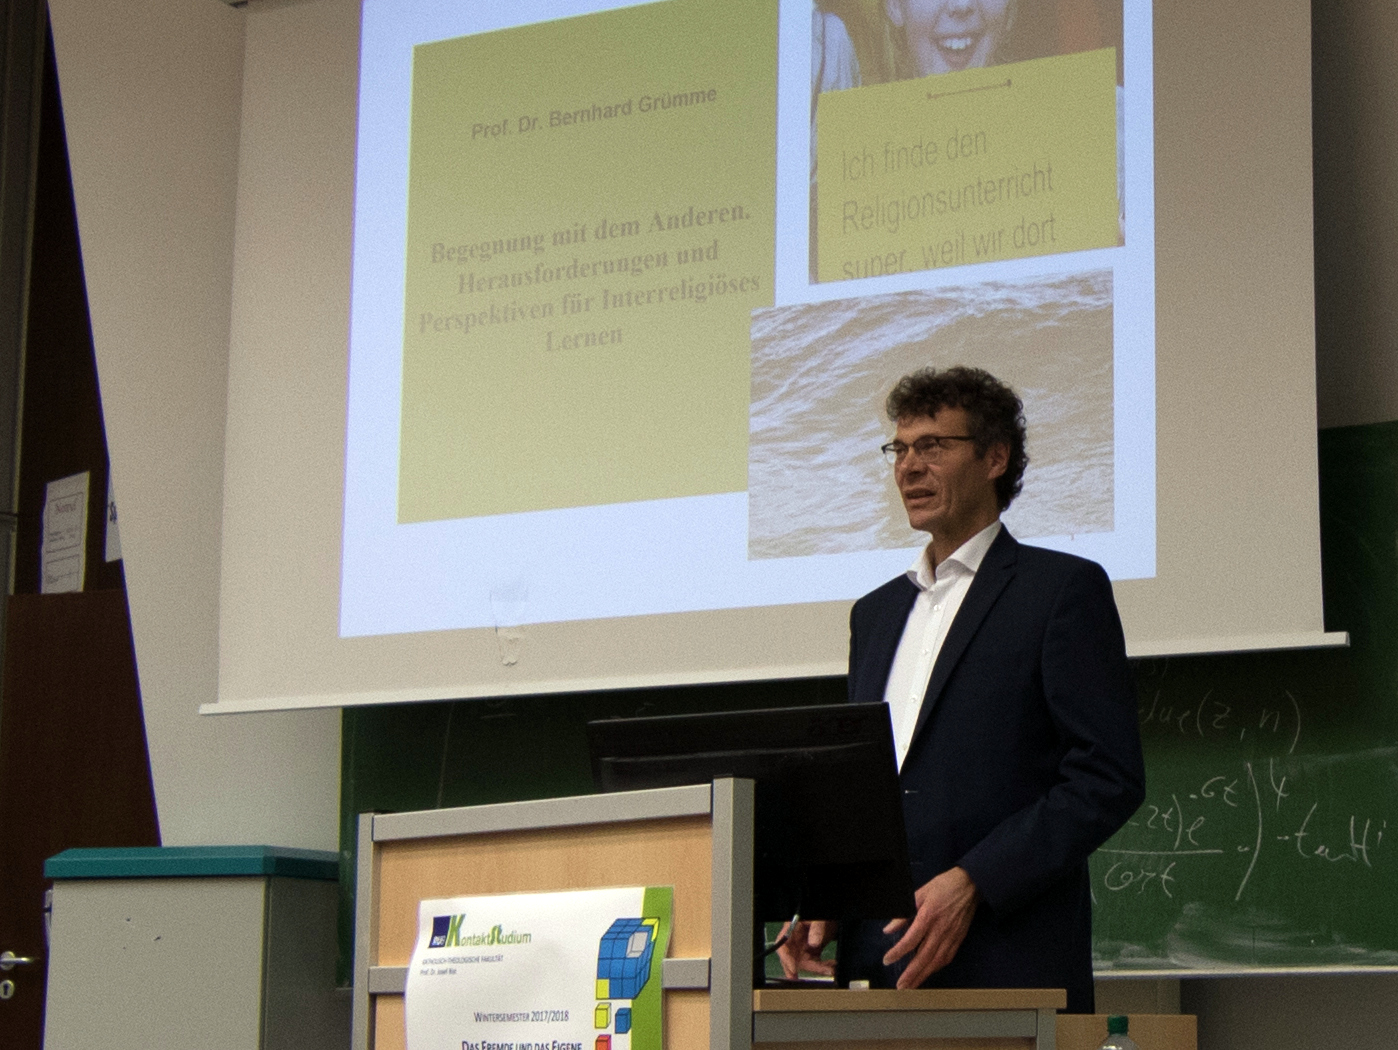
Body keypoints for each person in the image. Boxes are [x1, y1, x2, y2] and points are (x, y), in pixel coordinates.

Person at [778, 365, 1144, 1012]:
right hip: (877, 966)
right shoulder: (875, 615)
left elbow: (1106, 777)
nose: (909, 468)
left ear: (995, 458)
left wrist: (976, 880)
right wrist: (831, 897)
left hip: (1005, 961)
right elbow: (868, 789)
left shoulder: (1059, 592)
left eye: (932, 446)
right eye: (899, 449)